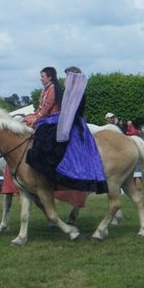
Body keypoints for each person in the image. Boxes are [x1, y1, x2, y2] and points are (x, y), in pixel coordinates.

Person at [25, 66, 107, 194]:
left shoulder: (77, 92)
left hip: (73, 123)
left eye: (67, 77)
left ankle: (53, 171)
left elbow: (71, 113)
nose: (64, 80)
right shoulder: (68, 91)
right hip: (67, 121)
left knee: (49, 137)